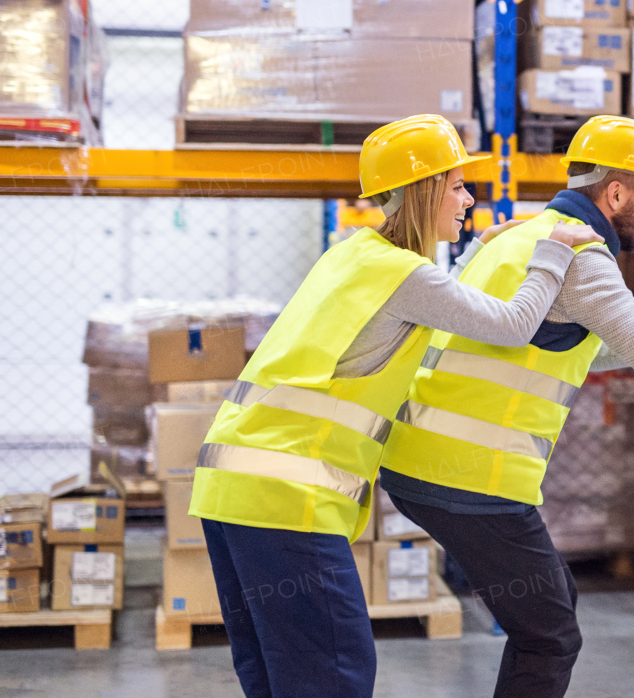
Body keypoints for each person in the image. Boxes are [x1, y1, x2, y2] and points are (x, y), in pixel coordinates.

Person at [187, 115, 603, 698]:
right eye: (457, 185)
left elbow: (435, 325)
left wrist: (476, 252)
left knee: (278, 677)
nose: (469, 197)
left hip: (230, 488)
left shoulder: (355, 256)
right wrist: (551, 253)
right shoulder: (405, 276)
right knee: (334, 677)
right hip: (286, 496)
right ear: (423, 188)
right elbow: (513, 325)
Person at [378, 115, 634, 698]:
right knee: (550, 634)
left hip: (423, 463)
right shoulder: (583, 254)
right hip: (471, 474)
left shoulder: (522, 237)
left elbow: (539, 344)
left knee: (549, 608)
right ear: (616, 192)